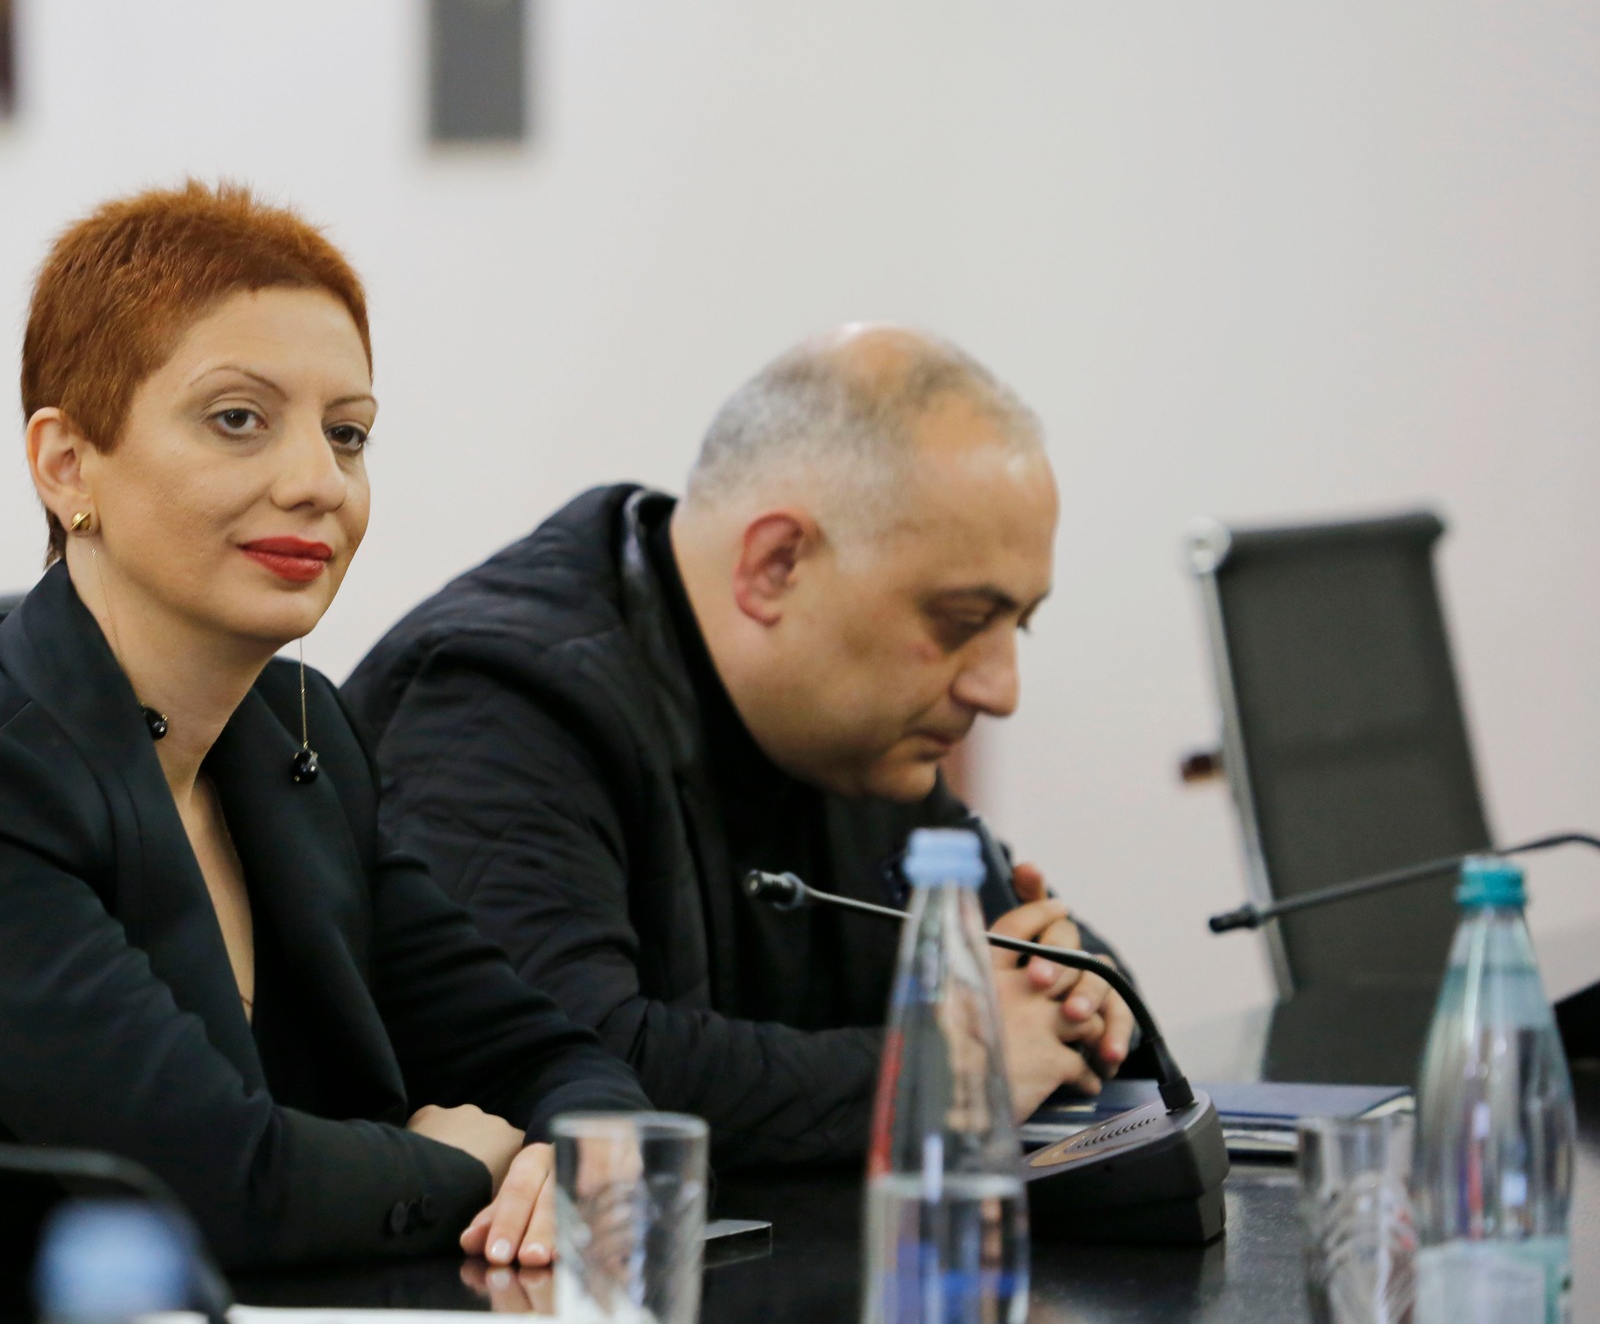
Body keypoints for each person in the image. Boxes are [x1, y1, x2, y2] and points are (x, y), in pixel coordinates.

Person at [0, 182, 649, 1314]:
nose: (317, 481)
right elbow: (215, 1188)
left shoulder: (296, 733)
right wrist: (460, 1164)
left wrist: (568, 1157)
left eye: (347, 432)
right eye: (237, 419)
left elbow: (546, 1052)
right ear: (67, 464)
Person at [344, 325, 1135, 1169]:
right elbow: (561, 1070)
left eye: (1020, 623)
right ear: (776, 564)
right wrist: (941, 1071)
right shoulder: (497, 698)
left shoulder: (854, 735)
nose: (1000, 688)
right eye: (963, 621)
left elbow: (1044, 984)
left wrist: (1077, 989)